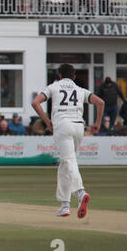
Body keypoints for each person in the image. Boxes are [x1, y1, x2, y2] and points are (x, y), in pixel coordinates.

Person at [32, 63, 104, 219]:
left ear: (59, 75)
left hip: (62, 126)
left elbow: (35, 102)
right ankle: (65, 205)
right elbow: (100, 102)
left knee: (69, 161)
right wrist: (97, 123)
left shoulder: (53, 87)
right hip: (79, 127)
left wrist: (47, 121)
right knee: (66, 163)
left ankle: (80, 192)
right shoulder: (80, 90)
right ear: (74, 76)